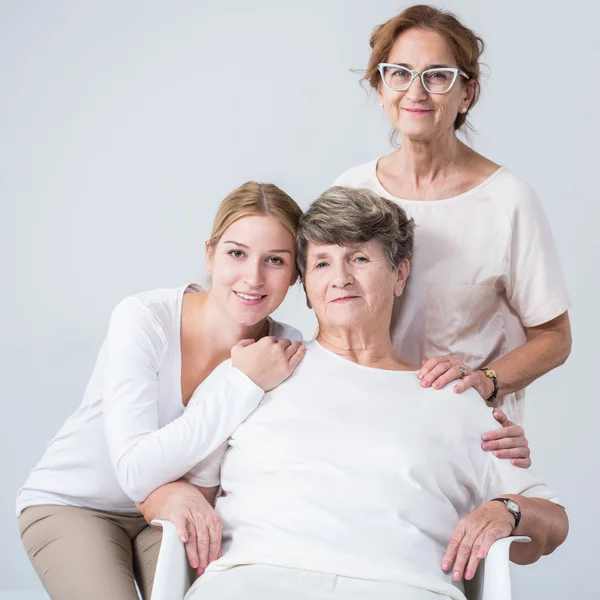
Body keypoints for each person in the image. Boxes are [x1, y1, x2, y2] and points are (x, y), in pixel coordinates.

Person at [142, 187, 568, 600]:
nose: (340, 278)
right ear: (305, 287)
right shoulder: (254, 374)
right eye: (322, 264)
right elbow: (162, 485)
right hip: (250, 583)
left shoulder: (452, 395)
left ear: (399, 274)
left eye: (359, 258)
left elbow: (551, 519)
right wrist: (172, 494)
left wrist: (507, 511)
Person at [16, 181, 307, 600]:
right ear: (210, 253)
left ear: (295, 271)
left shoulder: (282, 351)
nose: (253, 277)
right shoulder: (144, 319)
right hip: (76, 504)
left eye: (275, 260)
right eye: (237, 253)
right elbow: (133, 470)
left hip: (180, 510)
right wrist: (242, 382)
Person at [334, 5, 571, 433]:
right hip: (369, 423)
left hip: (468, 430)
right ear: (381, 86)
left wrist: (485, 382)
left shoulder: (508, 200)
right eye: (400, 73)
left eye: (438, 75)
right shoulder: (351, 190)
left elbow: (554, 338)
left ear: (468, 93)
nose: (416, 92)